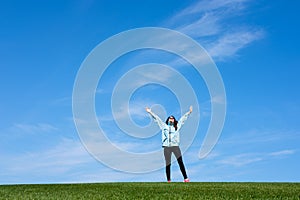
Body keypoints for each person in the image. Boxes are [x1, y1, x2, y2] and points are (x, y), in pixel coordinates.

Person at [145, 106, 192, 182]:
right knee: (168, 163)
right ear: (168, 120)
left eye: (172, 118)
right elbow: (157, 119)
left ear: (174, 120)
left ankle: (186, 178)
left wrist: (189, 112)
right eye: (170, 118)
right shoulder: (164, 126)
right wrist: (150, 112)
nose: (171, 119)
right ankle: (169, 180)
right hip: (167, 147)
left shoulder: (177, 126)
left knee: (180, 162)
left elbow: (183, 119)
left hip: (175, 147)